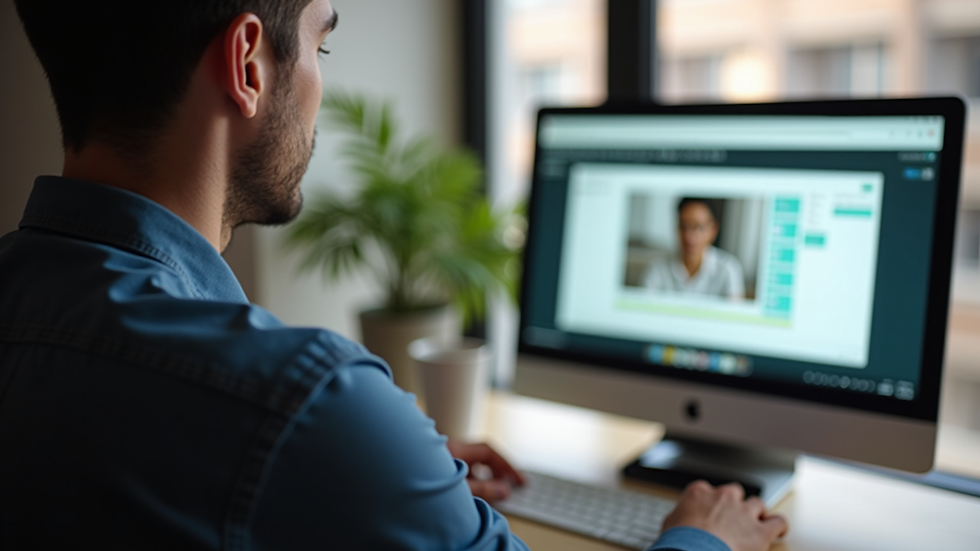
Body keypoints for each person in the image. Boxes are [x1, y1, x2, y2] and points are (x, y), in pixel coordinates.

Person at [0, 1, 787, 550]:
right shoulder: (304, 397)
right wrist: (701, 537)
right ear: (248, 64)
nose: (320, 84)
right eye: (319, 43)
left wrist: (368, 471)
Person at [645, 198, 746, 299]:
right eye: (684, 227)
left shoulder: (728, 269)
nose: (689, 237)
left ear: (713, 230)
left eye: (699, 227)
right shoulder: (657, 268)